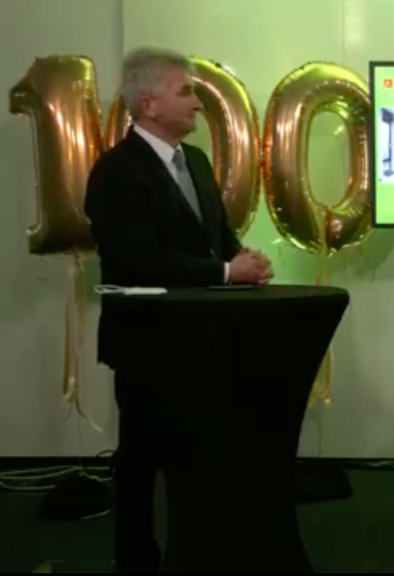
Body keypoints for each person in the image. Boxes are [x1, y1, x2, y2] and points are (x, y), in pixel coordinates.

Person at [84, 47, 273, 572]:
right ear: (148, 103)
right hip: (146, 345)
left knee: (202, 463)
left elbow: (215, 236)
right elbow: (137, 260)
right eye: (185, 91)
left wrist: (242, 257)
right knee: (141, 463)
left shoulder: (196, 161)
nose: (197, 103)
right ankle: (136, 563)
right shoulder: (115, 172)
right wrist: (226, 273)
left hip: (204, 342)